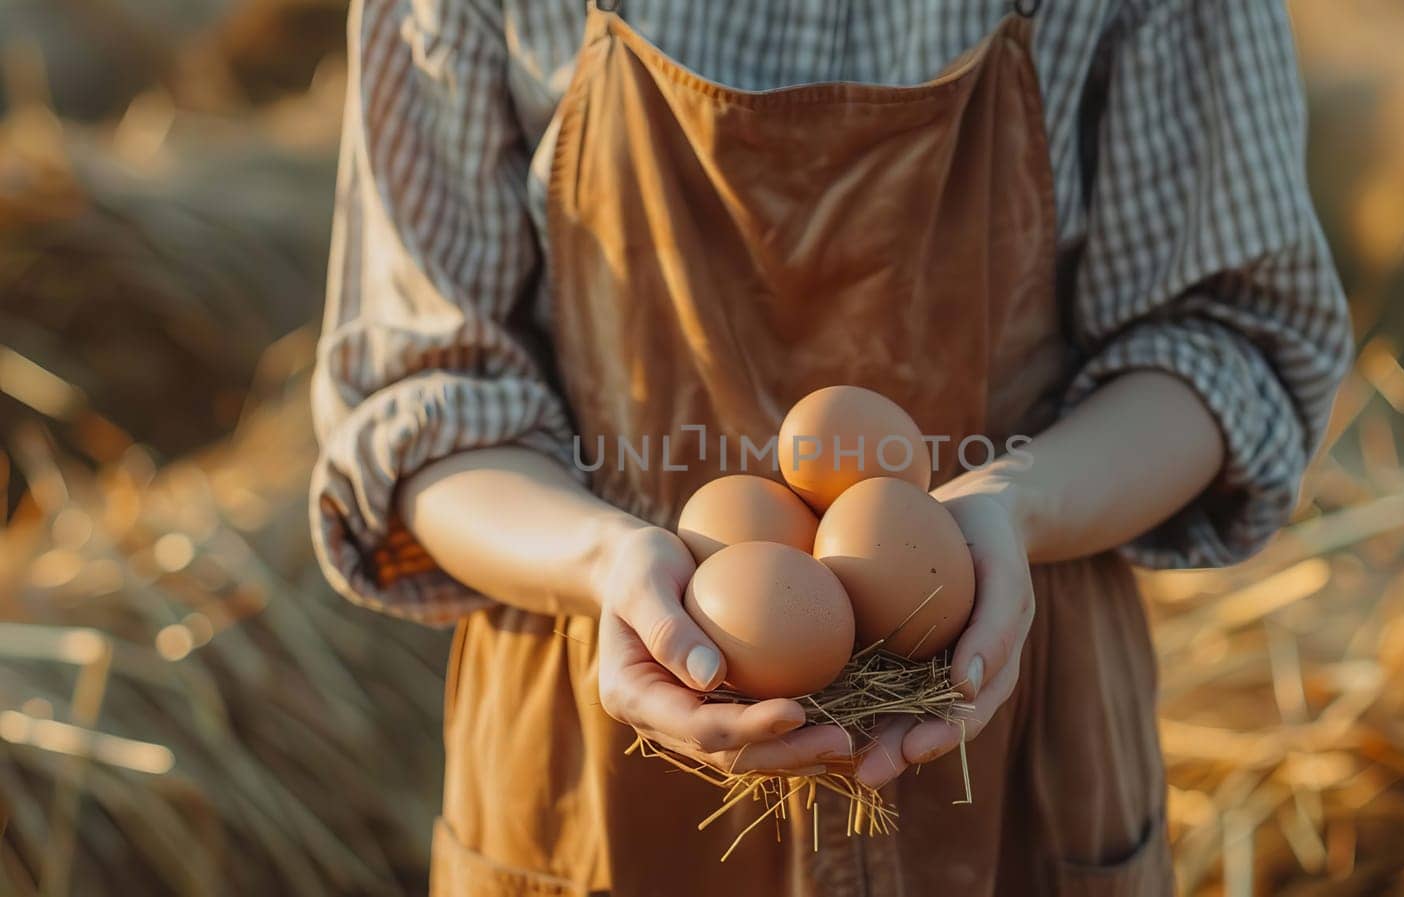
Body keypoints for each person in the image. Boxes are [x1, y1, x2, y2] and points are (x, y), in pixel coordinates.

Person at [310, 1, 1351, 894]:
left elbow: (1225, 341)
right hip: (598, 735)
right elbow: (424, 400)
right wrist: (609, 561)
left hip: (1005, 713)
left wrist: (1007, 510)